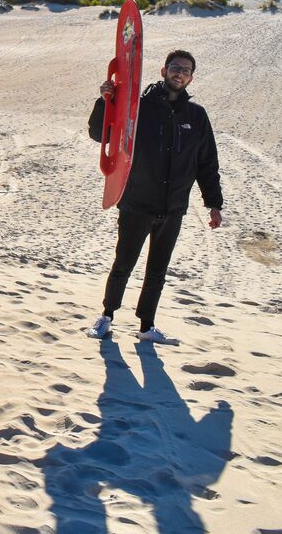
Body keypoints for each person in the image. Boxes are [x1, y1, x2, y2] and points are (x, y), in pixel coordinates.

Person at [85, 50, 223, 345]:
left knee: (157, 270)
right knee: (124, 263)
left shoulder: (196, 116)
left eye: (185, 70)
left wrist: (214, 204)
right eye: (175, 68)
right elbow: (100, 133)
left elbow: (207, 162)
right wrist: (105, 100)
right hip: (137, 201)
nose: (179, 74)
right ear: (163, 71)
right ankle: (107, 317)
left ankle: (147, 326)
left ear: (191, 77)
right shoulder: (138, 106)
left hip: (173, 208)